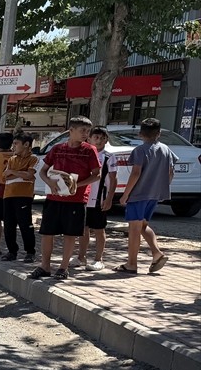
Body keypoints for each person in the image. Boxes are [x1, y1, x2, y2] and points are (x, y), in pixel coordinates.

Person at [31, 115, 101, 280]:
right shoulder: (57, 148)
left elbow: (96, 175)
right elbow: (43, 171)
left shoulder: (89, 150)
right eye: (82, 130)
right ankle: (45, 266)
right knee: (47, 232)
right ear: (71, 130)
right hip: (54, 198)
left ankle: (63, 268)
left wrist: (76, 185)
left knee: (70, 234)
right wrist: (50, 182)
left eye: (88, 131)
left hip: (76, 200)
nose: (85, 134)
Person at [115, 117, 174, 274]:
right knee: (142, 226)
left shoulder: (140, 150)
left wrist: (125, 194)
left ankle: (131, 264)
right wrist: (162, 189)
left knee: (134, 229)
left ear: (140, 134)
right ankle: (156, 253)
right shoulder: (166, 149)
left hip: (139, 194)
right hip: (154, 195)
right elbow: (170, 172)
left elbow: (135, 173)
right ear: (159, 133)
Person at [75, 126, 118, 271]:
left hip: (99, 198)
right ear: (89, 139)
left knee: (99, 229)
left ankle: (99, 259)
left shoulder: (109, 157)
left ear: (106, 140)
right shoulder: (84, 154)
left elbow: (113, 179)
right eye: (96, 137)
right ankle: (81, 257)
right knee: (83, 228)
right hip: (83, 197)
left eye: (102, 138)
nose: (99, 141)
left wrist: (109, 198)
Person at [0, 131, 37, 262]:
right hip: (8, 195)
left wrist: (13, 172)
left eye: (16, 143)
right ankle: (12, 251)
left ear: (26, 144)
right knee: (8, 225)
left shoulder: (33, 159)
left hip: (24, 195)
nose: (13, 146)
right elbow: (4, 176)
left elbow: (29, 175)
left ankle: (30, 251)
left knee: (25, 224)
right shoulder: (12, 159)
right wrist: (20, 173)